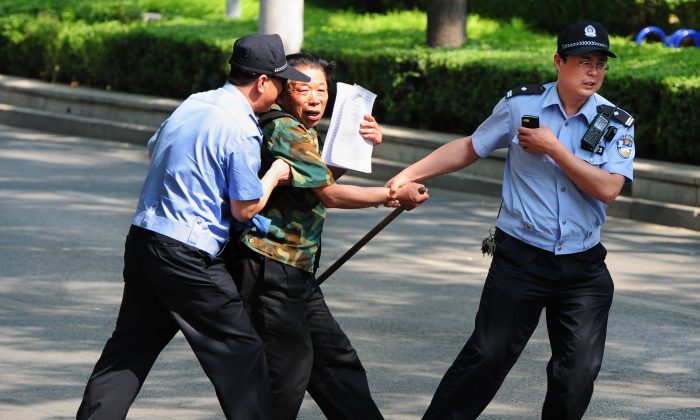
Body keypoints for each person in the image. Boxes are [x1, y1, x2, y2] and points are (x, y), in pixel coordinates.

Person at [387, 20, 635, 419]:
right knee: (487, 355)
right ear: (558, 61)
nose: (593, 71)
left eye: (601, 63)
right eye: (583, 61)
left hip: (583, 266)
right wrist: (410, 174)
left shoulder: (616, 122)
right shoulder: (522, 105)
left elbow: (607, 188)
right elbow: (472, 146)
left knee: (577, 374)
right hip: (522, 258)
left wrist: (554, 148)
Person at [76, 34, 311, 420]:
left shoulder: (195, 103)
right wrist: (275, 174)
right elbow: (244, 207)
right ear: (262, 82)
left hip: (144, 238)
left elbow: (156, 147)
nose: (283, 92)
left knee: (128, 350)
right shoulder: (242, 127)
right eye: (281, 82)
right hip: (188, 254)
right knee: (242, 352)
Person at [224, 52, 429, 420]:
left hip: (295, 270)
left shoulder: (300, 131)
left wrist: (360, 146)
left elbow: (320, 178)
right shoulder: (285, 129)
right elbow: (329, 194)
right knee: (286, 376)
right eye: (303, 90)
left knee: (336, 365)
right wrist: (393, 194)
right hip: (271, 266)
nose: (316, 98)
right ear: (282, 92)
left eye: (322, 89)